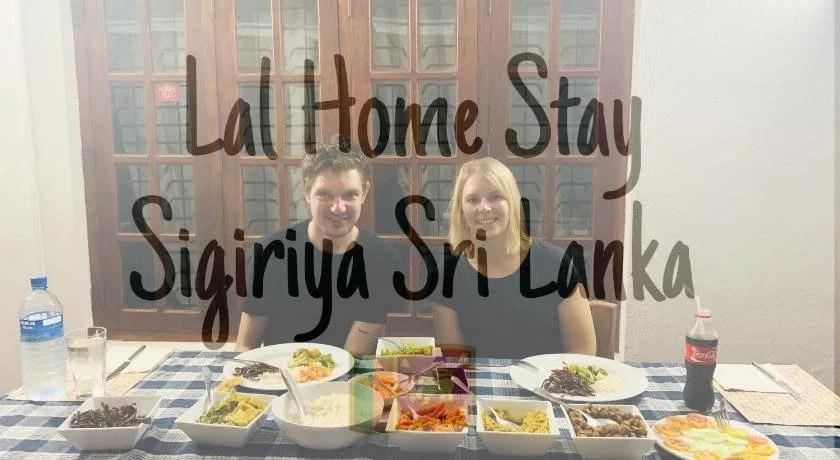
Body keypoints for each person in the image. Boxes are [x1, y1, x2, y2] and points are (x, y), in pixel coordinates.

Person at [235, 139, 404, 355]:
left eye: (349, 195)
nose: (338, 208)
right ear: (307, 192)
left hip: (347, 374)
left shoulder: (382, 260)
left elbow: (351, 357)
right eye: (325, 194)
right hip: (279, 373)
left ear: (364, 192)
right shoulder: (271, 253)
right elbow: (245, 346)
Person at [430, 157, 596, 359]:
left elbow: (583, 351)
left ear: (512, 203)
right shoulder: (447, 274)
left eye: (495, 197)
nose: (484, 207)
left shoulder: (555, 263)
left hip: (549, 378)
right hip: (479, 379)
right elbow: (454, 361)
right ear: (461, 210)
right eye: (473, 199)